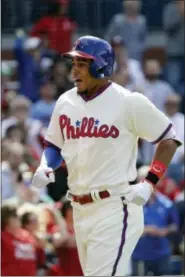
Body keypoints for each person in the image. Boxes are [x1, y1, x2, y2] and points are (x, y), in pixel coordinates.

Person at [31, 36, 181, 276]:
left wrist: (150, 183)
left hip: (114, 205)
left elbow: (169, 139)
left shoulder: (129, 102)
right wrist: (45, 166)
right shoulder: (65, 101)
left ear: (100, 66)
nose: (74, 71)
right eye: (73, 63)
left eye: (82, 63)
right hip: (79, 209)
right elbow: (54, 146)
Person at [1, 205, 43, 276]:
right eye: (14, 215)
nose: (18, 218)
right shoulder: (2, 236)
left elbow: (39, 255)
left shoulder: (27, 235)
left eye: (17, 215)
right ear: (5, 219)